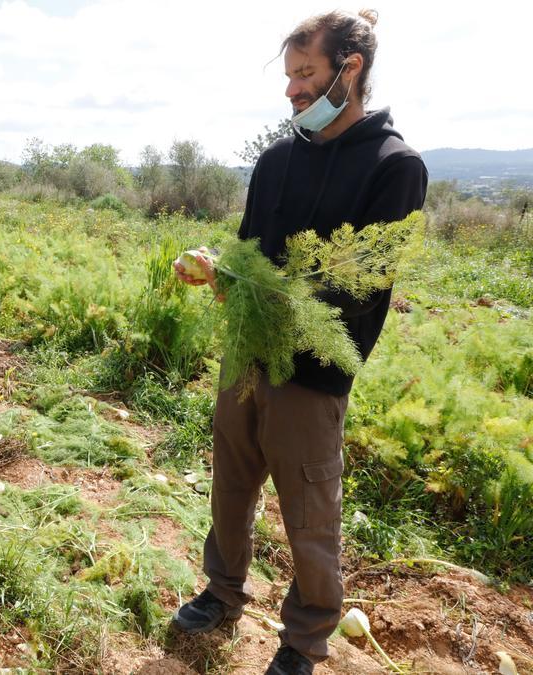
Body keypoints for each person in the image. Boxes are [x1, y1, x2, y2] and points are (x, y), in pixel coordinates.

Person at [170, 10, 427, 675]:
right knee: (230, 486)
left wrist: (271, 289)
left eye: (305, 74)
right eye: (289, 77)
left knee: (311, 517)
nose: (292, 91)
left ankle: (303, 643)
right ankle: (221, 593)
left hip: (314, 377)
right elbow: (251, 252)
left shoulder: (394, 166)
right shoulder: (278, 157)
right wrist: (220, 269)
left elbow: (358, 290)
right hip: (247, 354)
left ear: (351, 68)